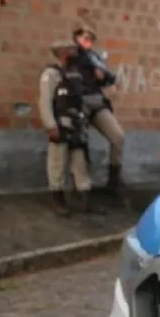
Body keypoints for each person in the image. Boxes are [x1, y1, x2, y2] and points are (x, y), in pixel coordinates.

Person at [39, 40, 104, 216]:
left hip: (76, 125)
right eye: (71, 50)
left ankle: (85, 200)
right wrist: (50, 125)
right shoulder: (51, 74)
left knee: (80, 163)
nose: (75, 53)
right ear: (62, 53)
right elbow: (45, 101)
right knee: (57, 163)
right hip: (60, 125)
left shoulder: (75, 74)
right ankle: (58, 200)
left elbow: (81, 99)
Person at [70, 24, 126, 195]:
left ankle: (113, 181)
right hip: (79, 101)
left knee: (118, 136)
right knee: (79, 143)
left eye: (91, 39)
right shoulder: (72, 55)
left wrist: (103, 78)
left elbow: (108, 77)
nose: (88, 42)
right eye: (85, 38)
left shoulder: (94, 56)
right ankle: (81, 186)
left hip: (97, 100)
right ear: (77, 38)